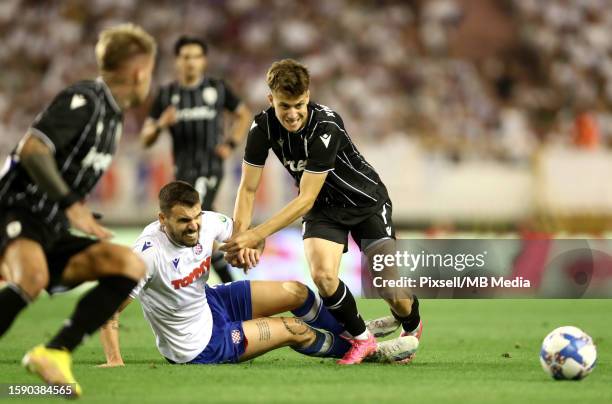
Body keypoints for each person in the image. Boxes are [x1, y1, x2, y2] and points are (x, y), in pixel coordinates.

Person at [220, 59, 423, 365]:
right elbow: (247, 189)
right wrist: (240, 237)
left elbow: (305, 197)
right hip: (323, 211)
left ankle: (411, 323)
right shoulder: (261, 127)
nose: (292, 114)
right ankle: (362, 338)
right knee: (323, 276)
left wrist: (257, 234)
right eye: (284, 105)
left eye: (299, 104)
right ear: (270, 99)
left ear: (308, 95)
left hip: (366, 203)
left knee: (389, 287)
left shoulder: (325, 126)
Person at [98, 181, 417, 366]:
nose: (194, 225)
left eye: (196, 216)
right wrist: (114, 359)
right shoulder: (146, 256)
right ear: (162, 220)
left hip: (210, 303)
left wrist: (248, 248)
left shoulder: (207, 222)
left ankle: (354, 329)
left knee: (297, 292)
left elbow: (238, 237)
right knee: (295, 328)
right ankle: (368, 350)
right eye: (183, 221)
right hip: (198, 344)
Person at [0, 23, 156, 397]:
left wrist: (73, 208)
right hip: (14, 210)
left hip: (48, 227)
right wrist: (71, 203)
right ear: (139, 72)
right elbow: (33, 149)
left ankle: (54, 351)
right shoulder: (86, 100)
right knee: (31, 277)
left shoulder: (113, 119)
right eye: (150, 71)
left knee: (130, 265)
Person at [139, 35, 252, 284]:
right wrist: (159, 124)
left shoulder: (217, 88)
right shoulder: (167, 95)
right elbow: (145, 137)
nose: (191, 62)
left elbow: (243, 114)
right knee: (197, 231)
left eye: (196, 57)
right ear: (177, 61)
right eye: (185, 57)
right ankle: (230, 285)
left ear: (204, 61)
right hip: (182, 173)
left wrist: (231, 143)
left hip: (210, 168)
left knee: (197, 224)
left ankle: (200, 286)